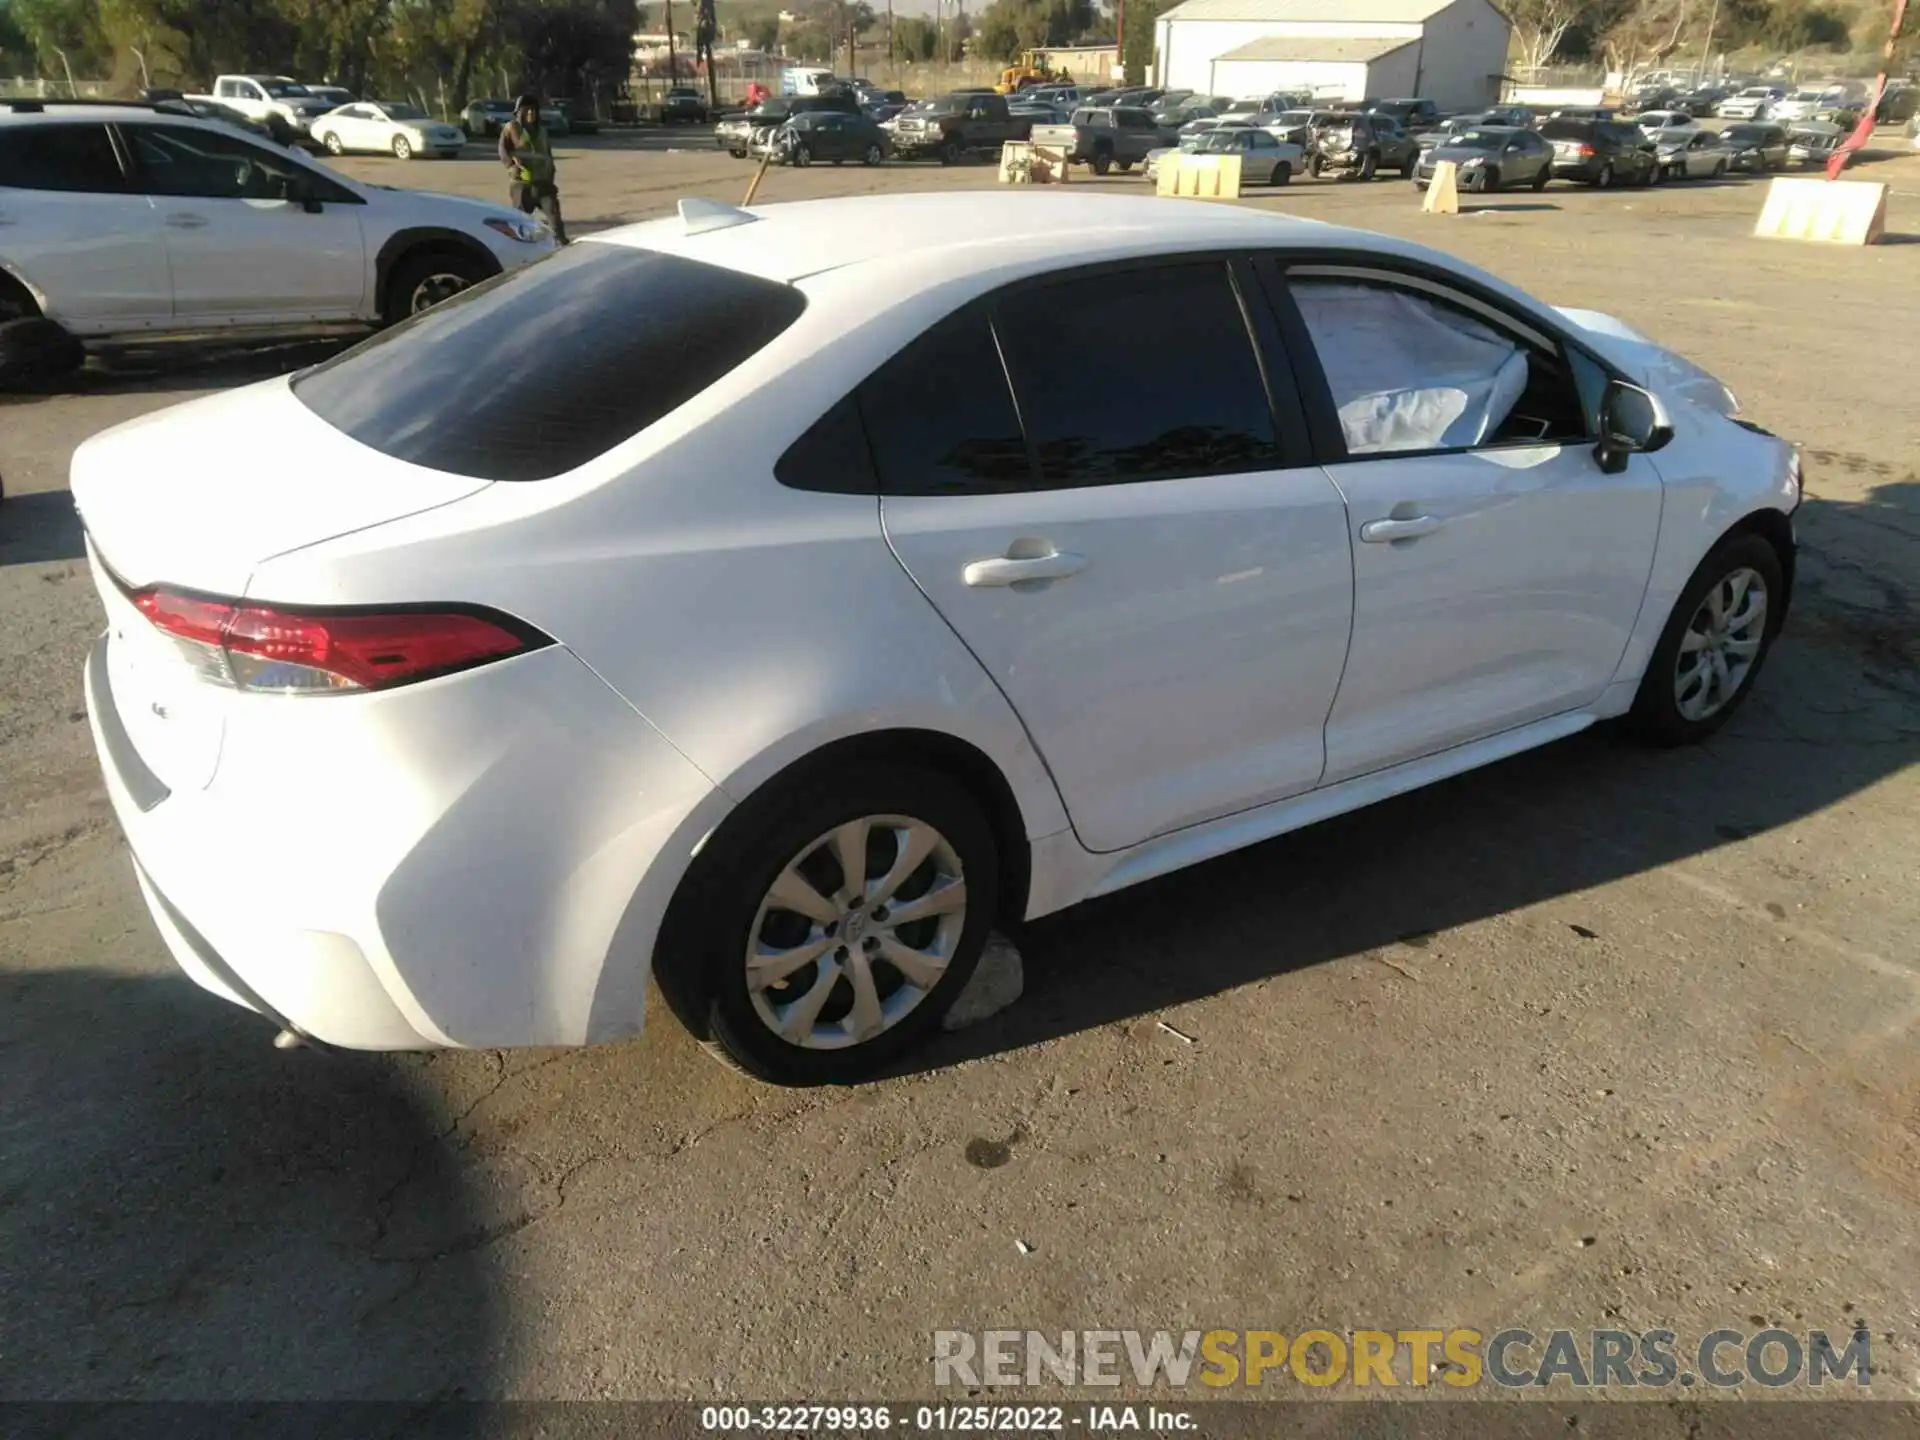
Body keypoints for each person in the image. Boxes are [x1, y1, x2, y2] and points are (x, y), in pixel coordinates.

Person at [498, 93, 568, 243]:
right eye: (527, 110)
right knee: (521, 221)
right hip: (522, 184)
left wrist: (551, 170)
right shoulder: (511, 128)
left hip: (543, 182)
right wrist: (511, 164)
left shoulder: (542, 130)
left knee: (554, 216)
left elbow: (547, 153)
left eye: (533, 110)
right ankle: (521, 249)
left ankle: (561, 242)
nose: (531, 113)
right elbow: (502, 150)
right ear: (519, 112)